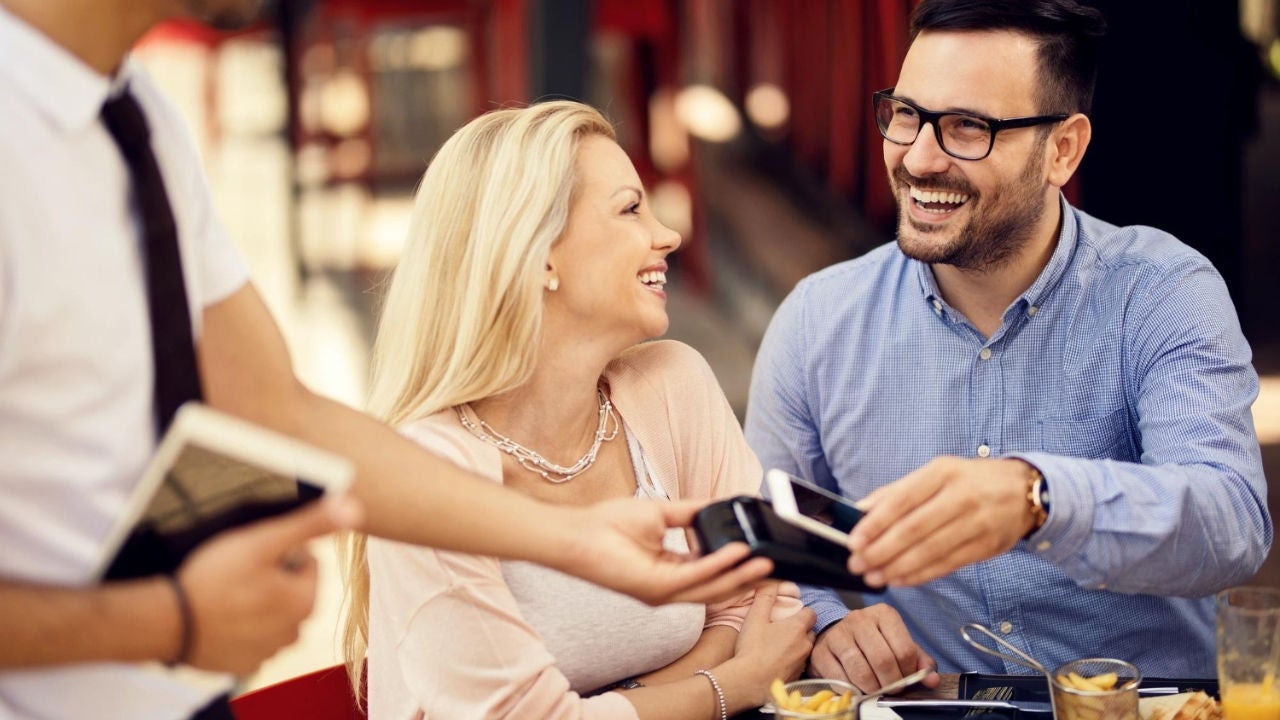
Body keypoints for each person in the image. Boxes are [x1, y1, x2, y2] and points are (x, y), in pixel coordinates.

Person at [0, 1, 772, 718]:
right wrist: (170, 620)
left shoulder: (137, 119)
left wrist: (574, 541)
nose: (663, 234)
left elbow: (276, 409)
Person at [744, 0, 1271, 691]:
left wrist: (1038, 499)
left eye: (969, 127)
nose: (920, 158)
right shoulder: (818, 320)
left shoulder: (1163, 291)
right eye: (907, 114)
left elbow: (1231, 526)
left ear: (1063, 150)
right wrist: (828, 624)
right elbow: (765, 540)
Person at [340, 100, 815, 720]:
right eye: (630, 208)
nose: (666, 234)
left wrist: (618, 704)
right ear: (539, 256)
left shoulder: (673, 386)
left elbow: (763, 604)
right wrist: (732, 685)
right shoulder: (423, 476)